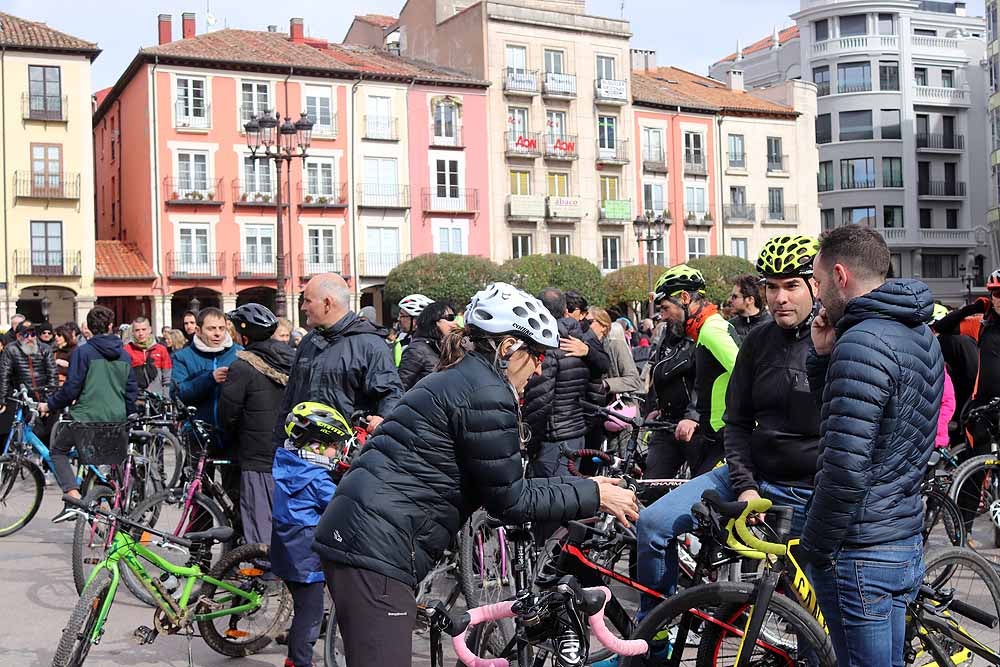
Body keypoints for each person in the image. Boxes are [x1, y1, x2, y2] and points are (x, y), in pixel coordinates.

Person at [313, 282, 639, 667]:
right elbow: (510, 501)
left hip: (364, 538)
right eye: (536, 354)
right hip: (374, 548)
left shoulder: (464, 377)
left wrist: (585, 486)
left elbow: (502, 483)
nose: (539, 367)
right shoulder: (487, 392)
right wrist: (593, 496)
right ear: (507, 349)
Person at [637, 236, 822, 614]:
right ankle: (652, 640)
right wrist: (746, 484)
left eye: (791, 286)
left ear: (815, 286)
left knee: (810, 618)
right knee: (652, 524)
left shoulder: (835, 341)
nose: (781, 297)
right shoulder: (758, 340)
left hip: (807, 490)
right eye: (772, 287)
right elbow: (737, 421)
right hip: (750, 474)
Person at [801, 225, 943, 666]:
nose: (817, 295)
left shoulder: (863, 341)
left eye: (819, 281)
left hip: (861, 549)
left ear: (841, 275)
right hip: (901, 537)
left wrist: (816, 548)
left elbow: (844, 466)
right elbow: (877, 428)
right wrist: (823, 357)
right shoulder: (919, 333)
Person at [275, 273, 403, 447]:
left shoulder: (370, 345)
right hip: (303, 455)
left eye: (308, 301)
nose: (303, 307)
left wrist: (381, 421)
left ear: (327, 303)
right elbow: (289, 398)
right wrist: (278, 445)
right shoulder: (308, 341)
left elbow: (391, 395)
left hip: (348, 459)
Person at [44, 306, 136, 518]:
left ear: (89, 328)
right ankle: (102, 500)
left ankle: (73, 494)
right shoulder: (124, 355)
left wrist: (50, 405)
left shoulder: (83, 352)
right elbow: (131, 391)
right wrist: (129, 416)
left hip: (86, 417)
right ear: (111, 326)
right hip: (116, 418)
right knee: (103, 461)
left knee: (58, 451)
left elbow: (71, 389)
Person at [649, 264, 739, 478]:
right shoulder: (704, 329)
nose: (662, 316)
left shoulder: (711, 330)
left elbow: (745, 373)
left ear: (685, 298)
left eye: (665, 308)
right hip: (713, 434)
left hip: (721, 435)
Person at [272, 403, 344, 667]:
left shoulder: (289, 462)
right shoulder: (316, 479)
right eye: (334, 444)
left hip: (285, 548)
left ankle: (296, 651)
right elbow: (340, 505)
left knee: (303, 605)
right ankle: (299, 662)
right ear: (316, 447)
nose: (337, 451)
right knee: (310, 613)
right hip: (304, 556)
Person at [218, 304, 293, 546]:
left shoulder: (242, 366)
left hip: (256, 454)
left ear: (244, 335)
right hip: (291, 451)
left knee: (259, 520)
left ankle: (264, 576)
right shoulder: (292, 359)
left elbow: (228, 414)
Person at [522, 287, 611, 478]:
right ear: (565, 311)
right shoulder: (580, 339)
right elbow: (596, 386)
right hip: (575, 431)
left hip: (554, 436)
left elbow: (540, 402)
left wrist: (531, 442)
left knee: (553, 496)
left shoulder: (549, 345)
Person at [171, 307, 241, 495]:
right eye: (211, 329)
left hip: (232, 435)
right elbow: (178, 393)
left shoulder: (239, 353)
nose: (217, 333)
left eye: (221, 328)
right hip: (198, 435)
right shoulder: (183, 357)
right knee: (199, 497)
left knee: (235, 494)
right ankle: (203, 525)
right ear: (199, 330)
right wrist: (209, 379)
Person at [934, 280, 1000, 451]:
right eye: (997, 294)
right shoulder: (982, 324)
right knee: (979, 463)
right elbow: (942, 327)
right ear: (991, 298)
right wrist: (972, 308)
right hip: (983, 404)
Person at [0, 321, 59, 431]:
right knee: (32, 433)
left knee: (51, 436)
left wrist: (47, 401)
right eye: (26, 335)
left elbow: (53, 376)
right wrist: (2, 400)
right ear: (18, 336)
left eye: (33, 334)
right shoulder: (11, 349)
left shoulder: (45, 349)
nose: (30, 338)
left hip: (46, 397)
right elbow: (4, 375)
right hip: (25, 399)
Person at [397, 300, 458, 390]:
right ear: (434, 321)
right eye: (450, 318)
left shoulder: (447, 348)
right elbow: (400, 388)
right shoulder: (417, 350)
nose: (454, 324)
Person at [125, 317, 172, 398]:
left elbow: (167, 377)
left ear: (150, 329)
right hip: (136, 399)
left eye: (144, 329)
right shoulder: (127, 350)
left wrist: (166, 398)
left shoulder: (161, 349)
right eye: (137, 330)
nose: (140, 333)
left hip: (158, 399)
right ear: (132, 332)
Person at [727, 273, 772, 341]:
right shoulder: (729, 327)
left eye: (734, 297)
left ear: (750, 300)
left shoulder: (772, 327)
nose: (729, 300)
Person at [392, 294, 432, 365]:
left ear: (415, 320)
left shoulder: (431, 346)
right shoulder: (405, 341)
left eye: (402, 315)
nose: (398, 319)